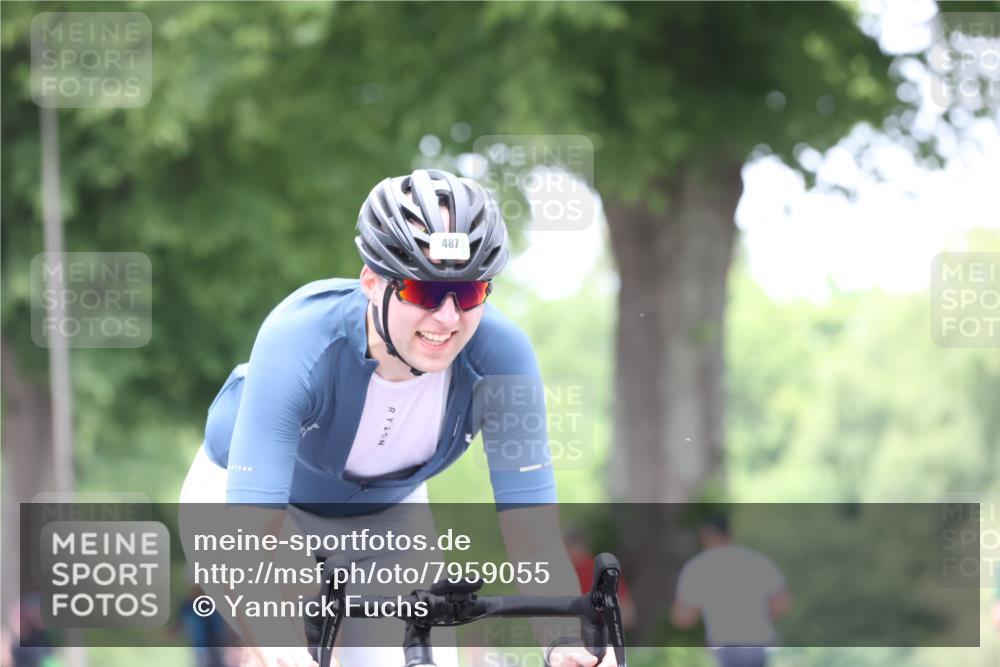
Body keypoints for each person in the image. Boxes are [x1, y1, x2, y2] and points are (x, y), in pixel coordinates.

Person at [179, 169, 616, 667]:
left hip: (387, 514)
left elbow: (534, 537)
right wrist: (278, 643)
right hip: (249, 507)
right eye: (422, 292)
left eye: (469, 293)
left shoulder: (503, 358)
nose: (447, 318)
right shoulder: (297, 339)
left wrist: (564, 641)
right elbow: (249, 542)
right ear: (371, 282)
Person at [671, 516, 792, 667]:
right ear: (730, 533)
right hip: (759, 645)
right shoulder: (757, 561)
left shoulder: (697, 568)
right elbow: (783, 604)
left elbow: (682, 619)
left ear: (705, 535)